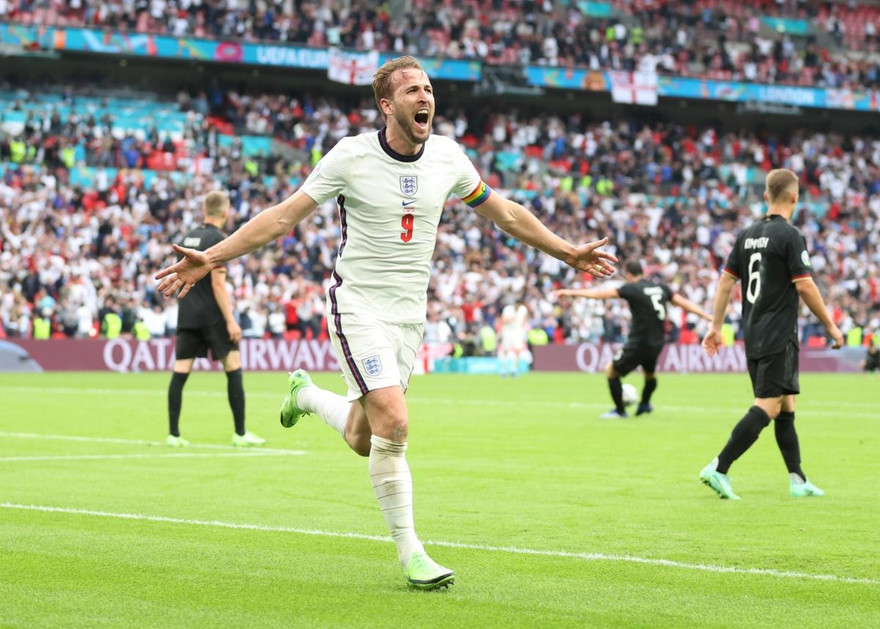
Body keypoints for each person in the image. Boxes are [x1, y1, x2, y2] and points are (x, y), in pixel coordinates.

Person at [155, 56, 617, 590]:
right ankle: (412, 554)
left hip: (408, 316)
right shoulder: (350, 157)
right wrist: (212, 257)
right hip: (358, 305)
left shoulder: (448, 158)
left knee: (362, 435)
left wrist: (567, 253)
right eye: (412, 91)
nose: (425, 98)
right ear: (387, 105)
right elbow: (282, 217)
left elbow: (505, 212)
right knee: (394, 423)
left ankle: (304, 396)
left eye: (428, 88)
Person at [700, 169, 844, 500]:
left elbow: (725, 283)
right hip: (778, 334)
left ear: (766, 196)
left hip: (754, 332)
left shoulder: (746, 235)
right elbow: (805, 284)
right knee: (767, 406)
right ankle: (719, 468)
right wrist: (831, 325)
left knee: (785, 405)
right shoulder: (790, 236)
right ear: (795, 197)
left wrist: (715, 327)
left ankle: (798, 479)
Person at [165, 190, 265, 449]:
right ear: (225, 212)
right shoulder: (218, 240)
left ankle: (173, 435)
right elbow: (219, 286)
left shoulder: (187, 237)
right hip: (212, 315)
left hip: (187, 313)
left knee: (180, 372)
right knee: (232, 366)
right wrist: (231, 321)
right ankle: (240, 433)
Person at [555, 260, 712, 418]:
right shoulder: (661, 288)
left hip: (639, 341)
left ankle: (620, 411)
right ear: (642, 272)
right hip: (657, 341)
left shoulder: (631, 288)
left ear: (629, 274)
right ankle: (644, 405)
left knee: (611, 371)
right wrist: (707, 316)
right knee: (650, 374)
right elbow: (684, 303)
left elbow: (600, 294)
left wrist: (571, 293)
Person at [497, 302, 529, 377]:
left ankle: (513, 368)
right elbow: (503, 320)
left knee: (518, 350)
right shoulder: (507, 309)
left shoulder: (523, 309)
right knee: (506, 350)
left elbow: (524, 319)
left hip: (518, 331)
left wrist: (524, 329)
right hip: (508, 331)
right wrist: (512, 318)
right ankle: (503, 369)